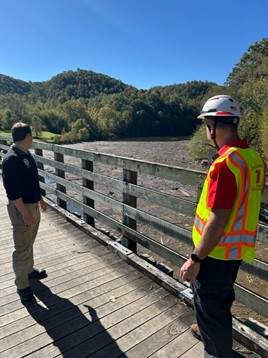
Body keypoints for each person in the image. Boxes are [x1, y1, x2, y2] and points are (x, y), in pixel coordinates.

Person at [180, 95, 266, 358]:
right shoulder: (253, 159)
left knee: (212, 312)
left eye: (207, 124)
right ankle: (210, 335)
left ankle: (215, 352)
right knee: (220, 306)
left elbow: (219, 218)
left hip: (214, 255)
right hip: (235, 252)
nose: (207, 131)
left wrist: (196, 258)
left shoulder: (225, 164)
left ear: (214, 126)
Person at [2, 122, 48, 302]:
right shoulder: (11, 159)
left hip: (32, 205)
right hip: (21, 209)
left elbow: (31, 182)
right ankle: (22, 286)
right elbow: (12, 192)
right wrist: (25, 213)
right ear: (27, 136)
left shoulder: (26, 154)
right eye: (32, 135)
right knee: (22, 247)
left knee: (29, 241)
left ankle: (29, 271)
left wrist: (40, 199)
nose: (33, 138)